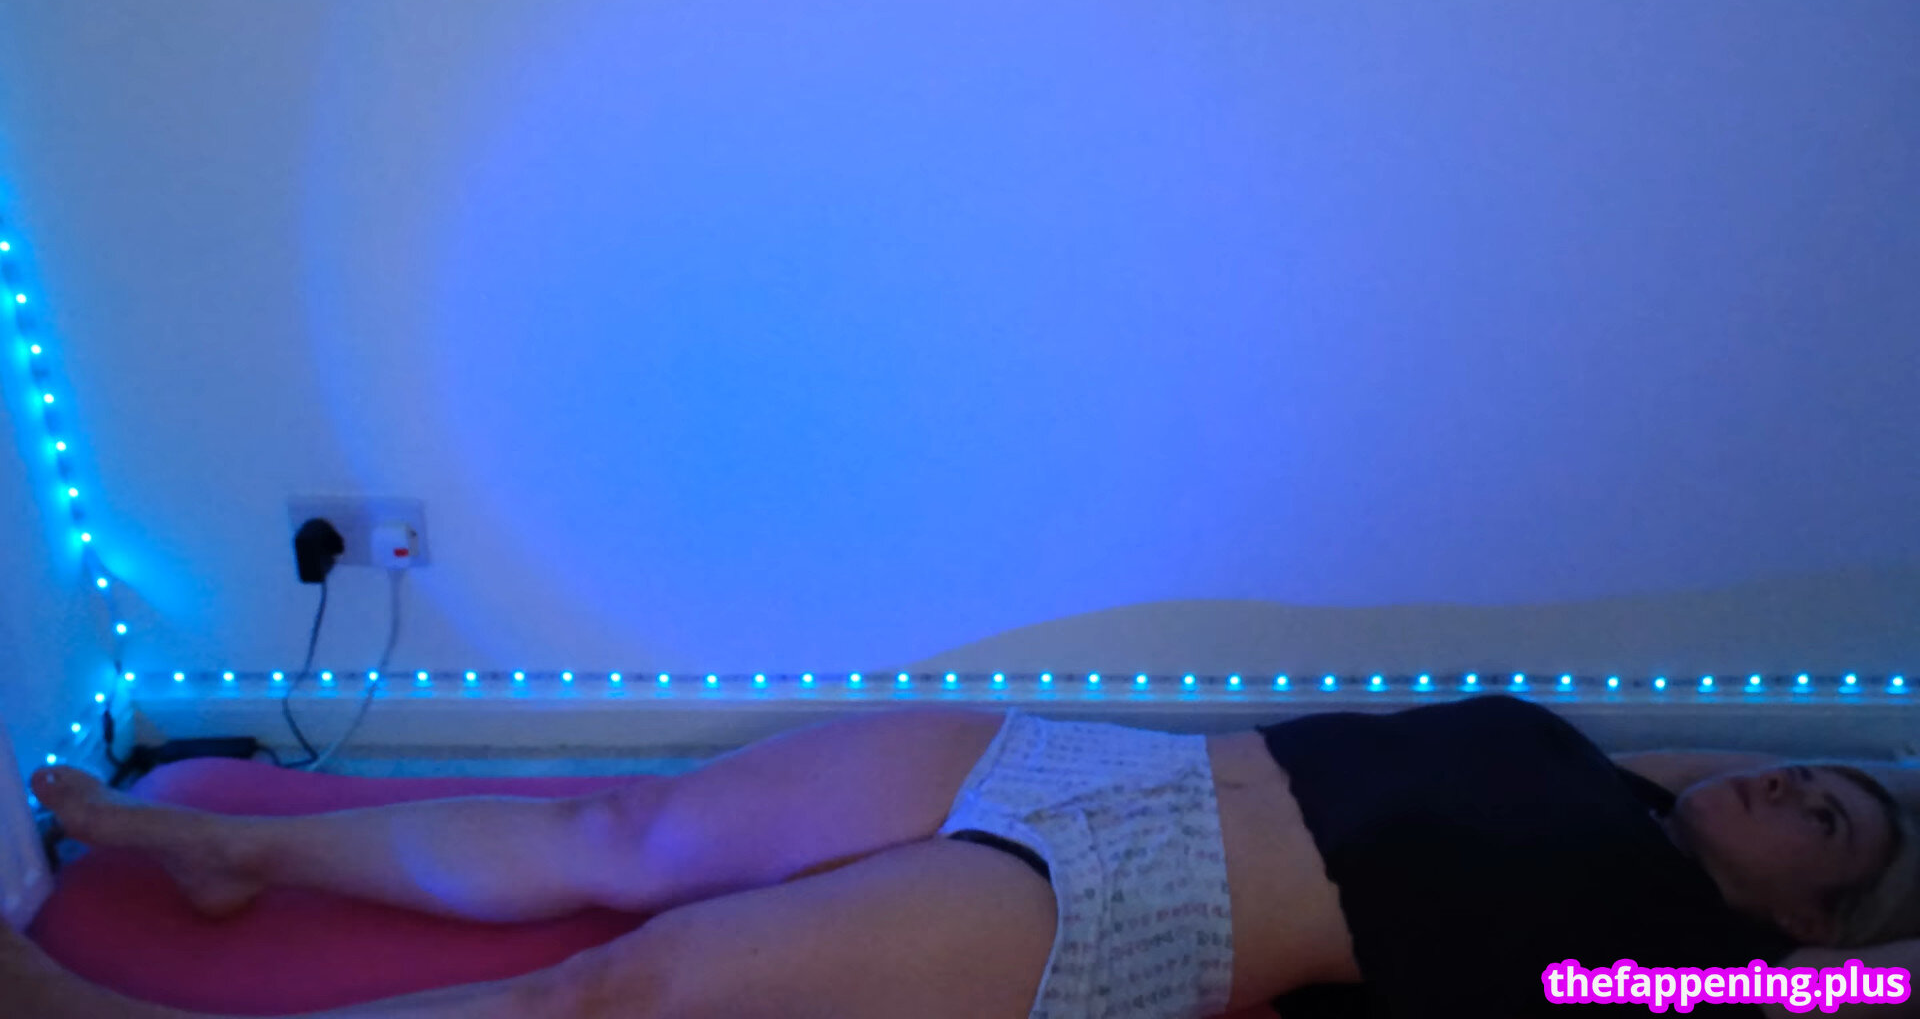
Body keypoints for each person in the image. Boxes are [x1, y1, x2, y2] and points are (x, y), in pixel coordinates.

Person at [5, 694, 1919, 1019]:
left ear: (1813, 909)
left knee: (621, 989)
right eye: (1800, 769)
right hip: (1090, 763)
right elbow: (1726, 763)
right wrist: (1838, 777)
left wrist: (1836, 957)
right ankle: (214, 850)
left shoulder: (1656, 964)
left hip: (1150, 911)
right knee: (623, 834)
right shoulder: (1587, 763)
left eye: (1823, 817)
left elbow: (1863, 993)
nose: (1781, 787)